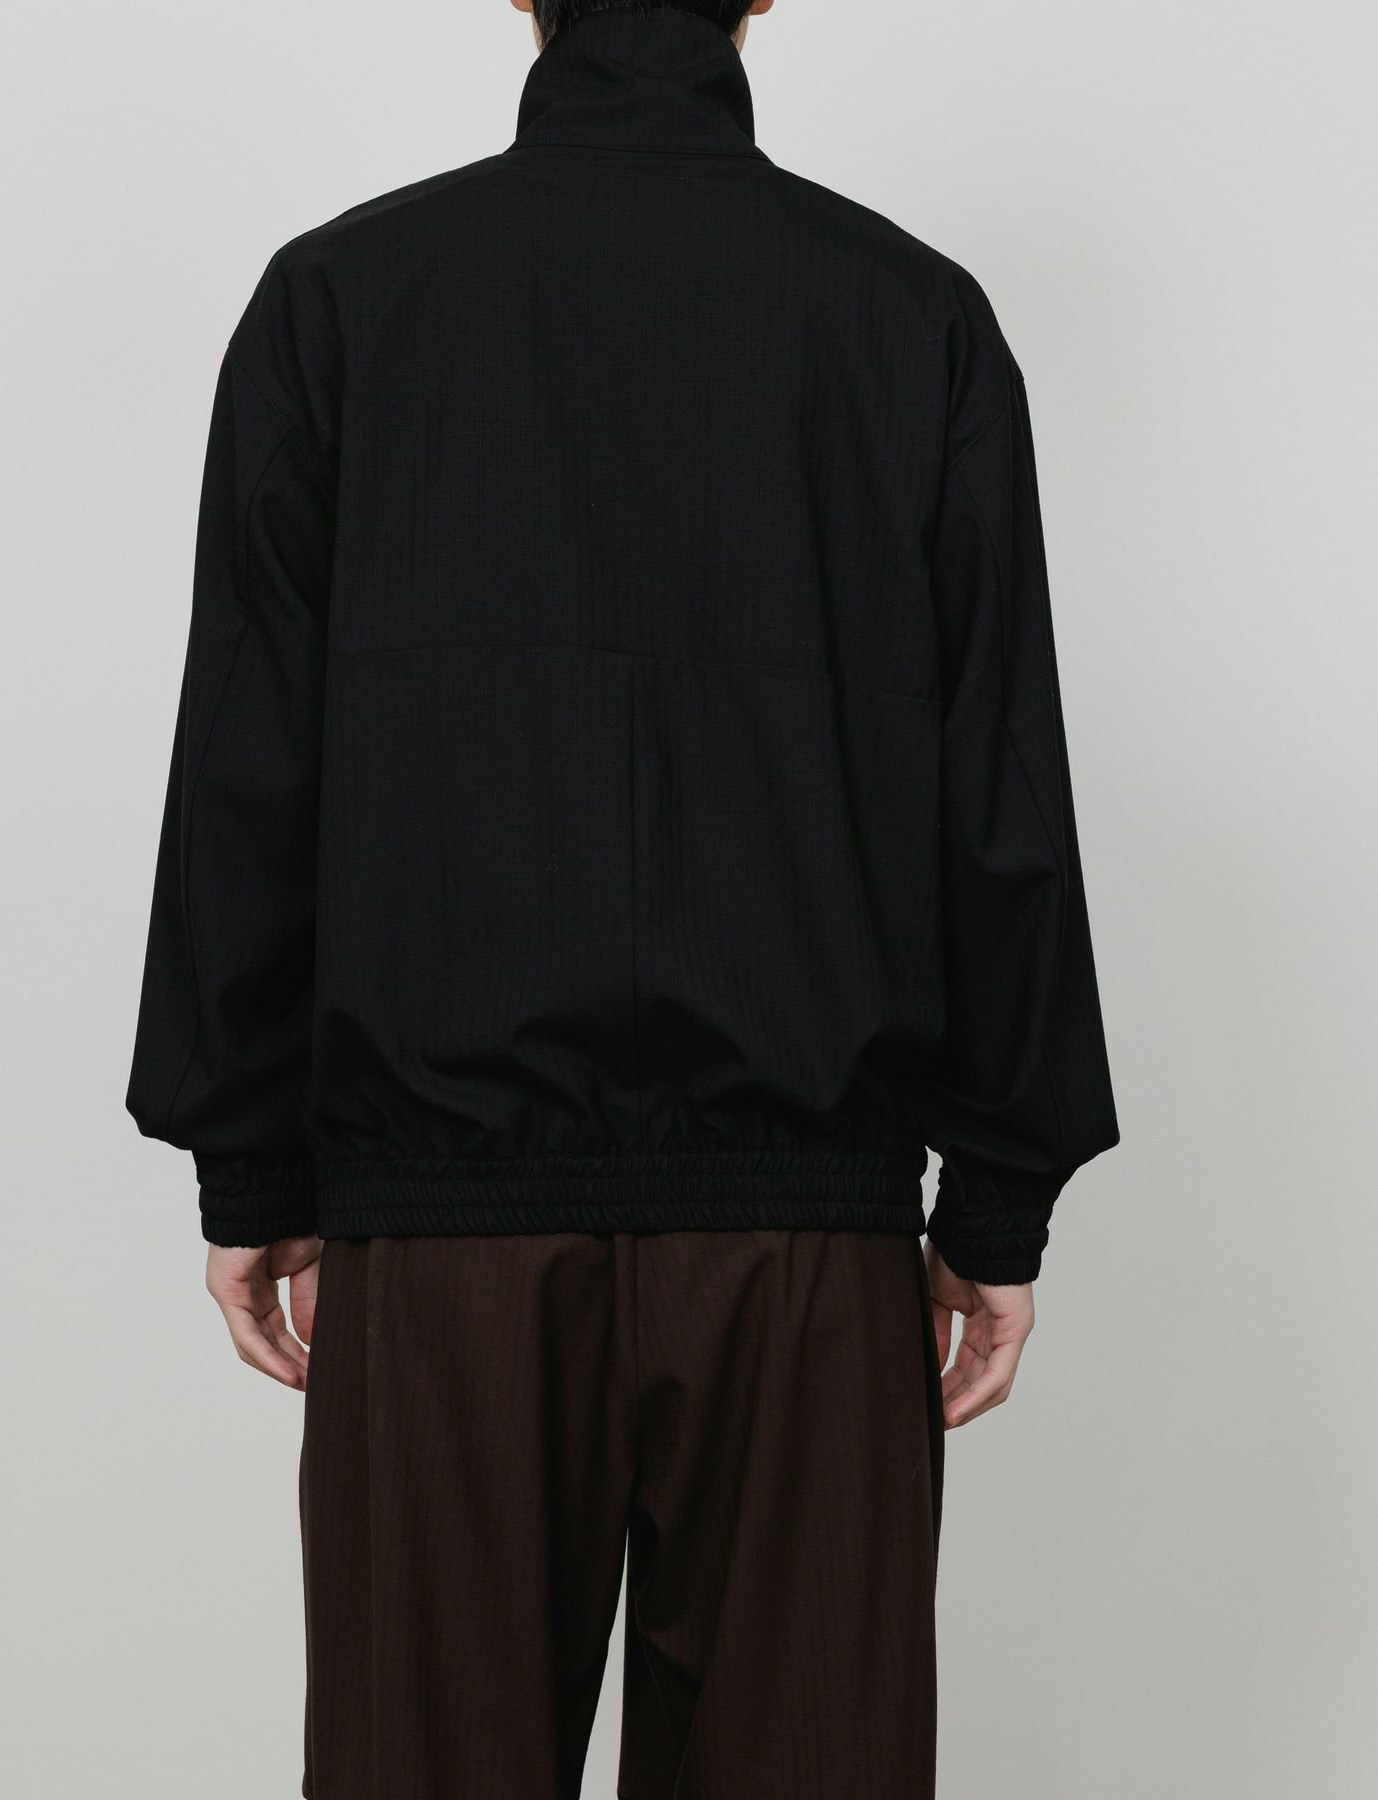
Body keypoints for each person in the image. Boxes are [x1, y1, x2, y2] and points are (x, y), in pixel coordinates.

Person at [127, 1, 1118, 1792]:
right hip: (803, 1252)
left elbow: (249, 771)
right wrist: (997, 1206)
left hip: (445, 1247)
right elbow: (999, 797)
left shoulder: (340, 303)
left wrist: (252, 1162)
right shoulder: (914, 321)